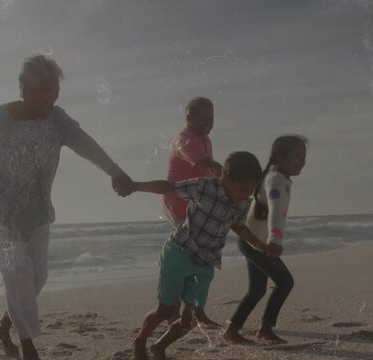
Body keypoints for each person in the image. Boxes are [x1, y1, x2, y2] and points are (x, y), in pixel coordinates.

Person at [0, 54, 133, 360]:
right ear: (25, 87)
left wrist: (114, 171)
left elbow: (85, 142)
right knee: (18, 272)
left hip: (35, 212)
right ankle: (28, 346)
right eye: (46, 89)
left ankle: (3, 325)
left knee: (37, 277)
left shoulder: (57, 119)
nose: (52, 97)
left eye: (55, 90)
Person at [130, 151, 281, 360]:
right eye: (242, 189)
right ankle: (140, 341)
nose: (246, 195)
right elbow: (169, 187)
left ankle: (159, 346)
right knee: (165, 310)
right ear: (226, 179)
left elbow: (239, 227)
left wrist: (262, 246)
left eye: (251, 190)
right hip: (179, 253)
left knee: (191, 318)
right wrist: (136, 186)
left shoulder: (243, 203)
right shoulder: (205, 186)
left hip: (205, 263)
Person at [222, 135, 308, 345]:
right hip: (258, 243)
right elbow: (276, 211)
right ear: (279, 156)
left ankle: (232, 330)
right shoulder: (276, 179)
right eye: (297, 156)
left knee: (257, 289)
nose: (302, 162)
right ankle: (265, 329)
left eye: (304, 157)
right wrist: (275, 241)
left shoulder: (278, 177)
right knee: (285, 282)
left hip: (254, 241)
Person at [162, 96, 222, 327]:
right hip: (178, 205)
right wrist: (234, 175)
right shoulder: (183, 140)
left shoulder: (205, 139)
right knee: (190, 259)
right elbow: (207, 165)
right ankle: (174, 310)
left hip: (198, 206)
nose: (208, 122)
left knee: (200, 258)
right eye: (204, 117)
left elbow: (209, 175)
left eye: (212, 117)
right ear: (189, 117)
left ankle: (195, 309)